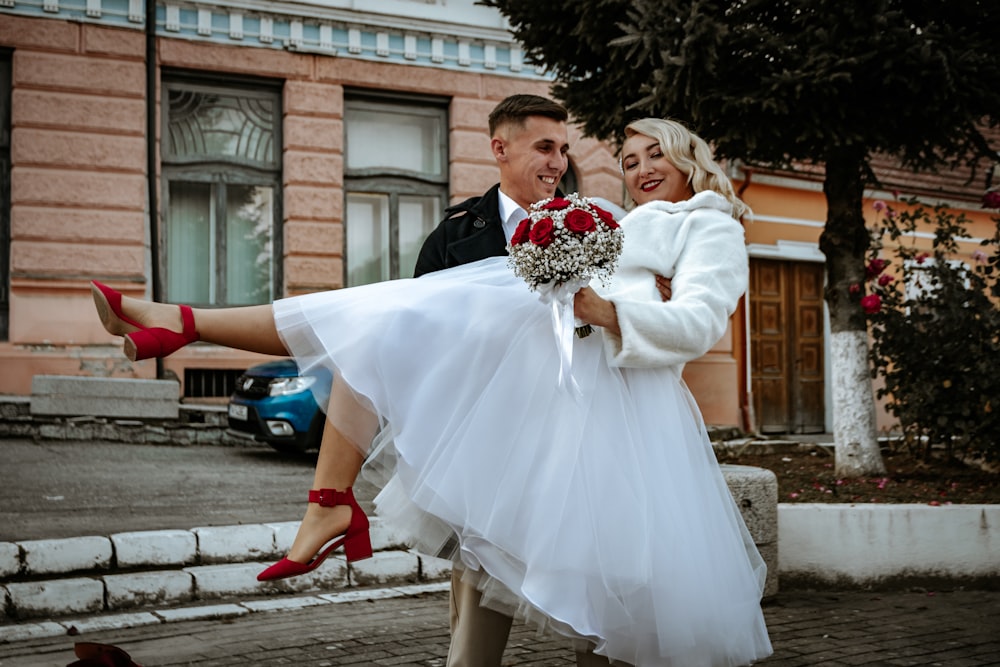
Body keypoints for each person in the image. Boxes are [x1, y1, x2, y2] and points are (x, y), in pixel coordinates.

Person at [90, 116, 773, 666]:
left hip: (618, 425)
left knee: (612, 610)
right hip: (541, 406)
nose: (641, 168)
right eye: (628, 159)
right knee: (379, 325)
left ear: (690, 159)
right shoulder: (608, 223)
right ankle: (185, 326)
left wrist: (612, 313)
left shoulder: (705, 223)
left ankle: (184, 333)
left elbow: (701, 321)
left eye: (656, 154)